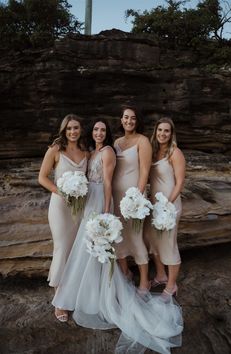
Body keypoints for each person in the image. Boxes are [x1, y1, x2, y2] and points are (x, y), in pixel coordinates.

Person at [52, 118, 183, 354]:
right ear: (91, 133)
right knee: (84, 249)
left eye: (103, 129)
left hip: (100, 201)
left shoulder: (109, 152)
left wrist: (104, 210)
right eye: (96, 129)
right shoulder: (93, 151)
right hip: (88, 201)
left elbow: (108, 183)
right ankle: (81, 291)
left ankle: (97, 294)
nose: (99, 132)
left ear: (107, 133)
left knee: (95, 246)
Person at [38, 113, 88, 321]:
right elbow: (42, 178)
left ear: (80, 130)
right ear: (64, 130)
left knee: (75, 248)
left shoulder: (86, 151)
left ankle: (71, 289)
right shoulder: (55, 150)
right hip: (60, 205)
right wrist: (62, 192)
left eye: (76, 128)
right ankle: (59, 298)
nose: (73, 132)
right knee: (61, 247)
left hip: (80, 208)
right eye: (69, 128)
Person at [112, 105, 152, 291]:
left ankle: (145, 280)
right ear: (121, 120)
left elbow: (144, 171)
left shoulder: (143, 141)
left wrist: (137, 196)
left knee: (136, 237)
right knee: (117, 235)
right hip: (115, 196)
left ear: (137, 121)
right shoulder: (116, 142)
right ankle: (126, 272)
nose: (129, 121)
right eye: (126, 117)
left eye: (133, 118)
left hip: (133, 198)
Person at [144, 117, 186, 297]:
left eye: (166, 131)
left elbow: (180, 182)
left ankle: (171, 285)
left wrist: (168, 204)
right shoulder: (152, 152)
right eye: (160, 130)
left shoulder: (175, 153)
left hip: (169, 205)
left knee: (169, 243)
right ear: (156, 132)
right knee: (151, 239)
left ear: (171, 134)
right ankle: (160, 275)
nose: (162, 133)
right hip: (154, 204)